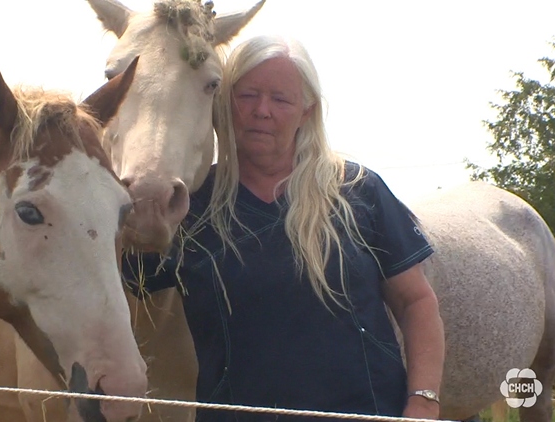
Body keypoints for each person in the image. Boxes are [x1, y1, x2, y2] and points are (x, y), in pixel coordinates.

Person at [125, 34, 445, 422]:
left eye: (281, 99)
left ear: (306, 111)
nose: (263, 110)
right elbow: (121, 278)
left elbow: (417, 301)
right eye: (248, 95)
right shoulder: (190, 207)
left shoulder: (356, 190)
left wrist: (424, 401)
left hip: (365, 412)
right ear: (224, 104)